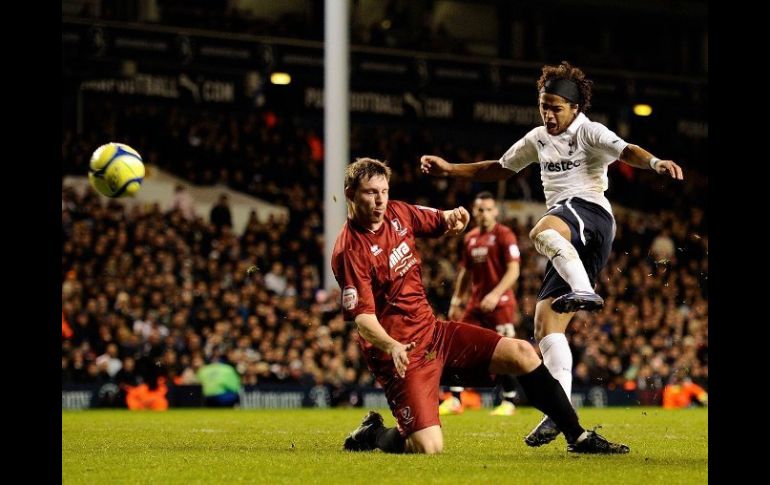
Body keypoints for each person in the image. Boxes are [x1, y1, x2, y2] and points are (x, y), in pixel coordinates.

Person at [420, 60, 683, 448]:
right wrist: (449, 169)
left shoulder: (589, 131)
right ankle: (560, 417)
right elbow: (499, 168)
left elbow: (627, 151)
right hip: (570, 237)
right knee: (546, 328)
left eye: (556, 108)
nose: (549, 114)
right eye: (544, 107)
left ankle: (584, 290)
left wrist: (656, 162)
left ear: (574, 108)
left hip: (590, 215)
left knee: (541, 230)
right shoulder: (537, 139)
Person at [332, 157, 628, 455]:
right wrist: (392, 345)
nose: (380, 200)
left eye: (384, 191)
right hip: (402, 354)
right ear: (350, 193)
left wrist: (455, 217)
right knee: (428, 446)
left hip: (435, 334)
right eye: (371, 192)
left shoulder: (398, 212)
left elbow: (441, 219)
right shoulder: (350, 250)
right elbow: (363, 320)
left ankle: (578, 437)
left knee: (522, 353)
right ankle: (373, 433)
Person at [440, 191, 522, 417]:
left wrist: (496, 294)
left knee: (505, 351)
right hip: (476, 304)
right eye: (480, 210)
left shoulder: (505, 235)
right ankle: (455, 399)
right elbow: (465, 272)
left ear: (495, 212)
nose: (484, 214)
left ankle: (509, 401)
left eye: (488, 209)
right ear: (474, 212)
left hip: (501, 304)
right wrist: (457, 299)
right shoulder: (470, 238)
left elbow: (514, 270)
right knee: (456, 344)